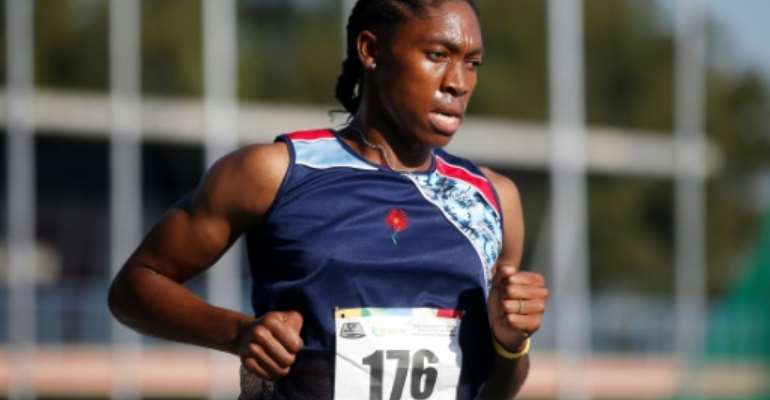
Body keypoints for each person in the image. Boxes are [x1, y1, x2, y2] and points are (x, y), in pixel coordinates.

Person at [108, 0, 548, 399]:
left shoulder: (493, 200)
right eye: (437, 56)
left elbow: (497, 389)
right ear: (371, 50)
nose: (458, 83)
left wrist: (511, 344)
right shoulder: (273, 174)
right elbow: (134, 287)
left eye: (472, 64)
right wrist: (239, 334)